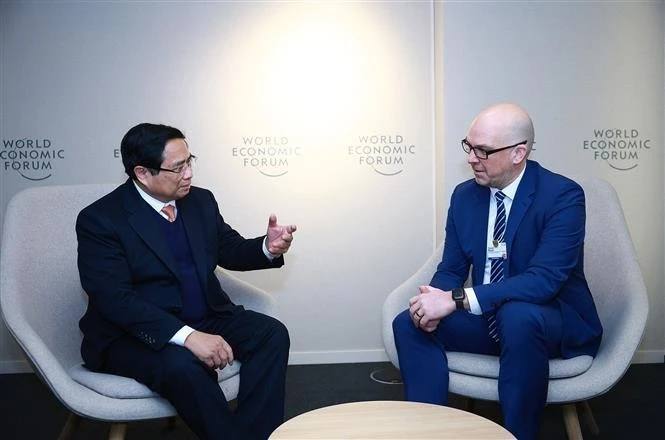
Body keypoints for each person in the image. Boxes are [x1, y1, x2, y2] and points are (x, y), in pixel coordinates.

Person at [392, 103, 602, 440]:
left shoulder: (562, 196)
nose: (472, 158)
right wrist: (433, 300)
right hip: (492, 317)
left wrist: (457, 298)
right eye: (469, 146)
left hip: (550, 322)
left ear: (519, 153)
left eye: (484, 150)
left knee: (517, 316)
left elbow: (543, 282)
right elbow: (452, 267)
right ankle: (429, 432)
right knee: (408, 322)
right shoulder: (465, 196)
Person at [76, 123, 296, 440]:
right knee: (183, 366)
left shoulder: (200, 201)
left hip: (206, 316)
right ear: (142, 173)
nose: (189, 174)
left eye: (190, 161)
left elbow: (228, 249)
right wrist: (189, 337)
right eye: (178, 168)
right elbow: (114, 300)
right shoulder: (101, 219)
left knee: (271, 334)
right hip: (133, 336)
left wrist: (267, 247)